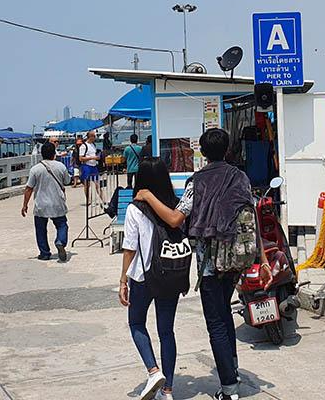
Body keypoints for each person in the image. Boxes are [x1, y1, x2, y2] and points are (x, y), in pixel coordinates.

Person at [136, 128, 271, 400]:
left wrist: (148, 196)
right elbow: (252, 217)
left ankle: (229, 388)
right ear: (228, 149)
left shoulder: (196, 182)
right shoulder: (240, 177)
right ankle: (231, 369)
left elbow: (176, 219)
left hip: (210, 264)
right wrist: (263, 257)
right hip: (236, 258)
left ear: (203, 153)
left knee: (217, 323)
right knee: (224, 314)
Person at [119, 158, 182, 400]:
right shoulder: (174, 206)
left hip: (143, 276)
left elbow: (129, 248)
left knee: (136, 323)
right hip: (170, 273)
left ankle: (153, 370)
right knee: (167, 332)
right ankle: (168, 391)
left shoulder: (135, 208)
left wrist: (123, 280)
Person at [22, 142, 70, 262]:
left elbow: (29, 188)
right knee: (62, 225)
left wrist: (25, 205)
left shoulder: (35, 169)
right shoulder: (61, 166)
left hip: (41, 204)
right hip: (57, 202)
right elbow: (67, 181)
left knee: (41, 229)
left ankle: (44, 253)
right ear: (54, 154)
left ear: (41, 154)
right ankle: (60, 241)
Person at [78, 130, 105, 208]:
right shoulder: (83, 146)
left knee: (98, 184)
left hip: (94, 166)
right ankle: (88, 200)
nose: (95, 137)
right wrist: (92, 157)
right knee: (87, 185)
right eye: (94, 136)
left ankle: (103, 200)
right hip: (87, 166)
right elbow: (81, 158)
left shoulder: (93, 145)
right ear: (90, 137)